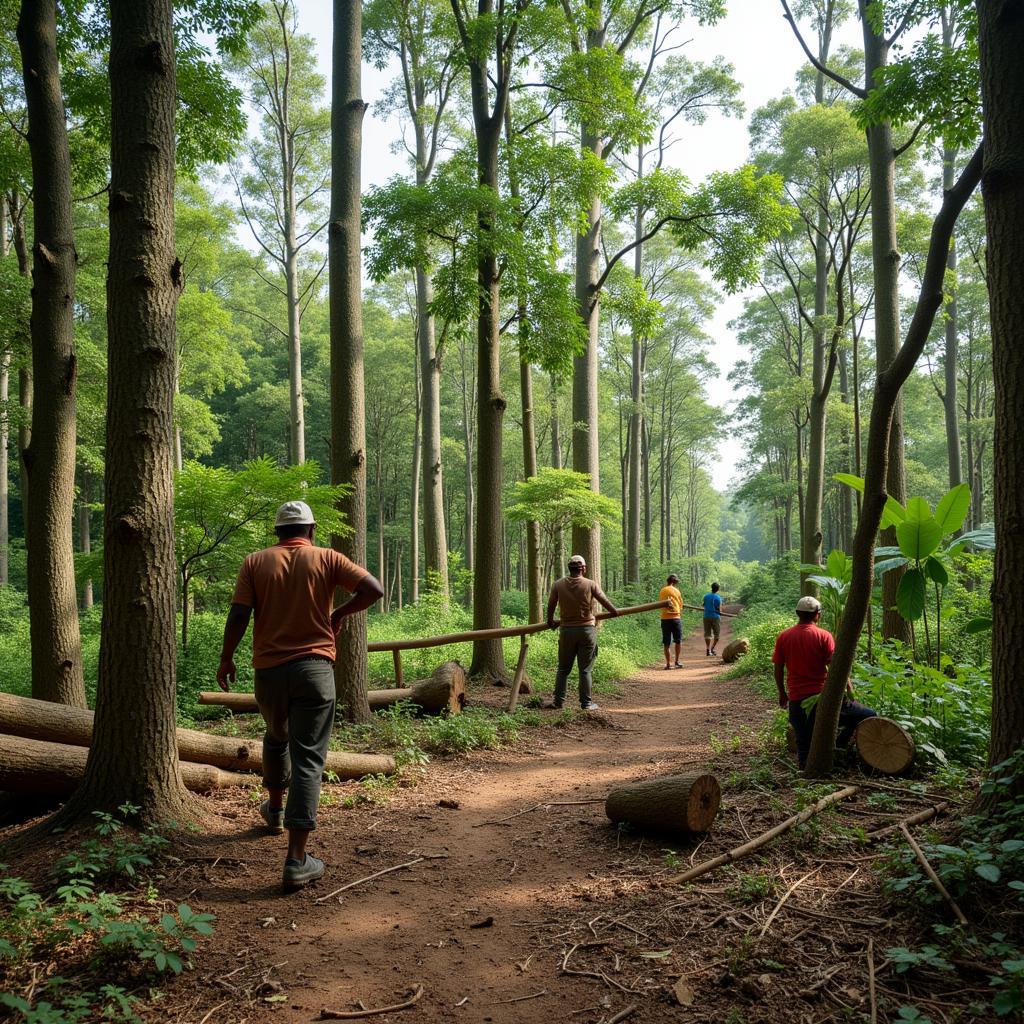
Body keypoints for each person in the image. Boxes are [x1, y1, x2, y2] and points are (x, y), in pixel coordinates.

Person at [216, 500, 384, 890]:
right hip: (315, 670)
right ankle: (296, 859)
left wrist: (226, 659)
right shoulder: (327, 558)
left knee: (276, 738)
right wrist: (340, 613)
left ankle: (274, 810)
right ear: (310, 530)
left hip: (269, 673)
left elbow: (239, 615)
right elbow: (372, 590)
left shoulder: (255, 562)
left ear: (278, 532)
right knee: (308, 758)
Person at [772, 595, 876, 769]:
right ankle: (840, 746)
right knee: (868, 714)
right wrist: (850, 694)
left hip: (797, 701)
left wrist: (782, 693)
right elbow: (837, 669)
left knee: (803, 742)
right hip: (823, 698)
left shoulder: (784, 636)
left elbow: (778, 668)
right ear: (817, 615)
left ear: (798, 613)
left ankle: (807, 774)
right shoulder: (824, 636)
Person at [546, 554, 619, 711]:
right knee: (585, 669)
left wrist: (550, 621)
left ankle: (558, 702)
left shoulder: (558, 584)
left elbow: (551, 604)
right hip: (586, 631)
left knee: (563, 668)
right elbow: (604, 600)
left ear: (569, 568)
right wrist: (614, 611)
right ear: (583, 569)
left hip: (566, 631)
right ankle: (586, 704)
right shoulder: (590, 584)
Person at [659, 573, 683, 669]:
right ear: (674, 582)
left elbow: (660, 603)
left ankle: (668, 664)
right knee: (678, 641)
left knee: (666, 642)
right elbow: (681, 606)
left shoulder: (662, 590)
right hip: (676, 618)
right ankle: (677, 661)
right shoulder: (677, 591)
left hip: (665, 619)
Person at [702, 582, 723, 656]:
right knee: (717, 635)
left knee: (707, 634)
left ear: (711, 588)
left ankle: (708, 650)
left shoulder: (706, 596)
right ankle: (712, 649)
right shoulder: (718, 597)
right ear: (718, 589)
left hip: (706, 616)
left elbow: (703, 605)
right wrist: (720, 611)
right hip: (715, 617)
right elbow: (719, 609)